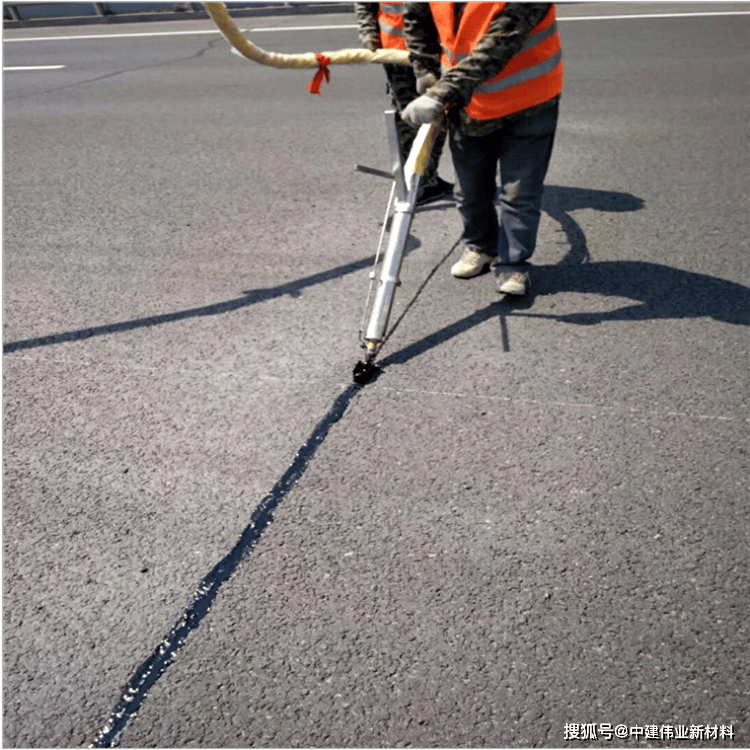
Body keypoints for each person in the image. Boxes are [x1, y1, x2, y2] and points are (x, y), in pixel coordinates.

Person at [401, 3, 563, 295]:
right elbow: (417, 18)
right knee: (469, 188)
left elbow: (499, 44)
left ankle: (513, 264)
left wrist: (439, 93)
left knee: (519, 193)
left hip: (529, 101)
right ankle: (480, 247)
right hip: (469, 104)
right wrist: (425, 67)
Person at [354, 2, 454, 206]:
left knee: (433, 115)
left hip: (434, 48)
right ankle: (418, 184)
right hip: (400, 53)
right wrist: (368, 33)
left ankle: (427, 177)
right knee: (413, 118)